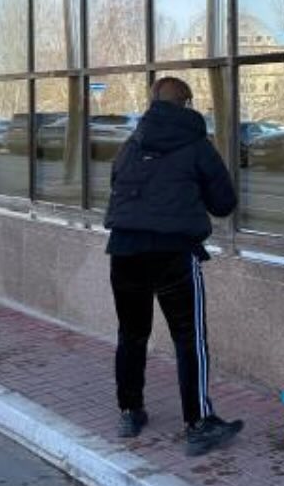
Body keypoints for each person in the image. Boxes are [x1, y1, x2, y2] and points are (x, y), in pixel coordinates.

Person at [104, 76, 243, 457]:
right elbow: (224, 202)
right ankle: (198, 424)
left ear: (153, 102)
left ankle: (130, 412)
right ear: (187, 103)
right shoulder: (196, 144)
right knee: (189, 339)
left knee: (131, 334)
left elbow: (116, 184)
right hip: (173, 253)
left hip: (124, 250)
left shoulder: (131, 144)